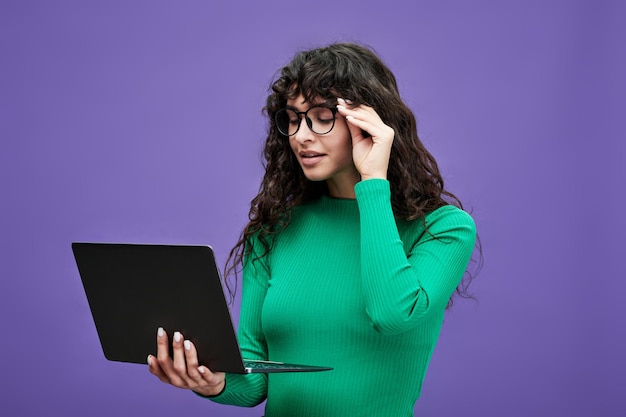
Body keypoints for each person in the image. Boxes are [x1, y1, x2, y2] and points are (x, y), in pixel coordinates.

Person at [147, 42, 478, 416]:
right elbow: (256, 377)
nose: (301, 135)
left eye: (321, 117)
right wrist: (214, 382)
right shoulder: (274, 231)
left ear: (369, 123)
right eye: (292, 118)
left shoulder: (443, 229)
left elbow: (392, 314)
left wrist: (372, 183)